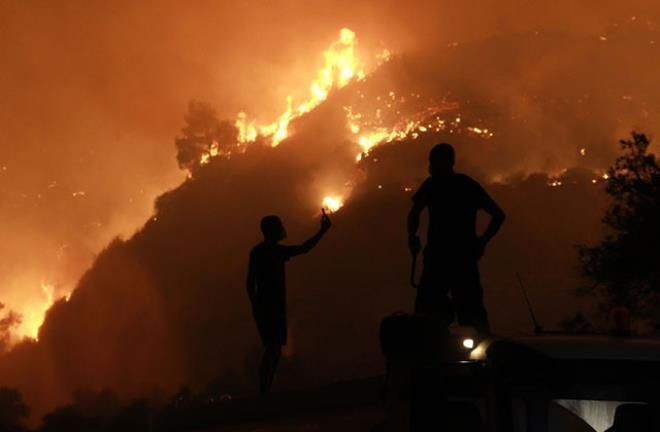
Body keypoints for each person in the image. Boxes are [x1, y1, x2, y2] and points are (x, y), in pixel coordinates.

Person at [408, 143, 505, 335]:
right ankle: (486, 354)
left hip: (440, 259)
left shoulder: (432, 185)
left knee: (427, 315)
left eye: (433, 161)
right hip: (462, 259)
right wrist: (482, 242)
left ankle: (431, 357)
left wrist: (412, 238)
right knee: (473, 314)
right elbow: (498, 215)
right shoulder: (466, 184)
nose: (431, 166)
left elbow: (414, 213)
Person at [247, 210, 332, 394]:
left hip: (265, 306)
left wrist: (254, 306)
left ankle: (264, 390)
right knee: (273, 349)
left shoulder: (258, 252)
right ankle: (263, 391)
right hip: (272, 307)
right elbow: (304, 248)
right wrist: (323, 231)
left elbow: (249, 282)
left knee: (273, 349)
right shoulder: (274, 252)